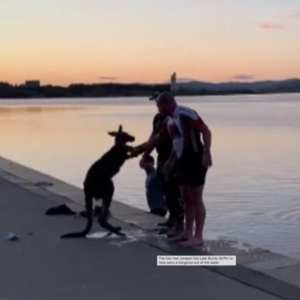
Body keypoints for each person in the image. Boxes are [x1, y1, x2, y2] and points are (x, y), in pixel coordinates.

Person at [131, 91, 212, 247]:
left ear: (167, 104)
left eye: (160, 107)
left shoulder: (186, 114)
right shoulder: (169, 121)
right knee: (186, 197)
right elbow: (167, 140)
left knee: (196, 197)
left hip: (195, 159)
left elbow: (206, 131)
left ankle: (198, 235)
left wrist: (207, 152)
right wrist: (169, 159)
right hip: (181, 161)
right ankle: (187, 232)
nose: (159, 110)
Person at [140, 91, 184, 237]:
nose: (158, 107)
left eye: (159, 104)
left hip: (175, 159)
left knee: (175, 190)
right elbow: (154, 136)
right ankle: (171, 219)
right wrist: (146, 153)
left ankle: (180, 224)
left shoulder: (176, 117)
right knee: (166, 189)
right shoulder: (158, 118)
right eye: (156, 104)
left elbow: (179, 140)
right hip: (161, 158)